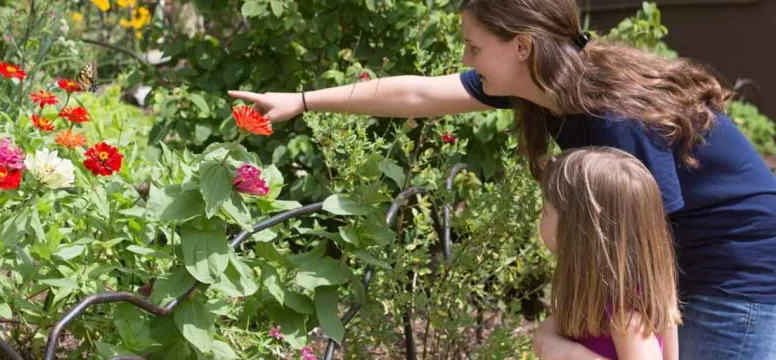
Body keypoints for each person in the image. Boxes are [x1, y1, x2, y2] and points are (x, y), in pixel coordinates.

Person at [227, 0, 776, 357]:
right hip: (684, 270)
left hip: (735, 275)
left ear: (522, 46)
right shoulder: (548, 84)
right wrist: (300, 101)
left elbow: (652, 253)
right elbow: (420, 94)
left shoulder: (613, 118)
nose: (466, 58)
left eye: (473, 46)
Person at [536, 147, 680, 359]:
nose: (540, 219)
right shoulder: (593, 291)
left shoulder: (627, 318)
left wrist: (570, 354)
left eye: (546, 211)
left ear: (580, 230)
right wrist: (546, 339)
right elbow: (550, 329)